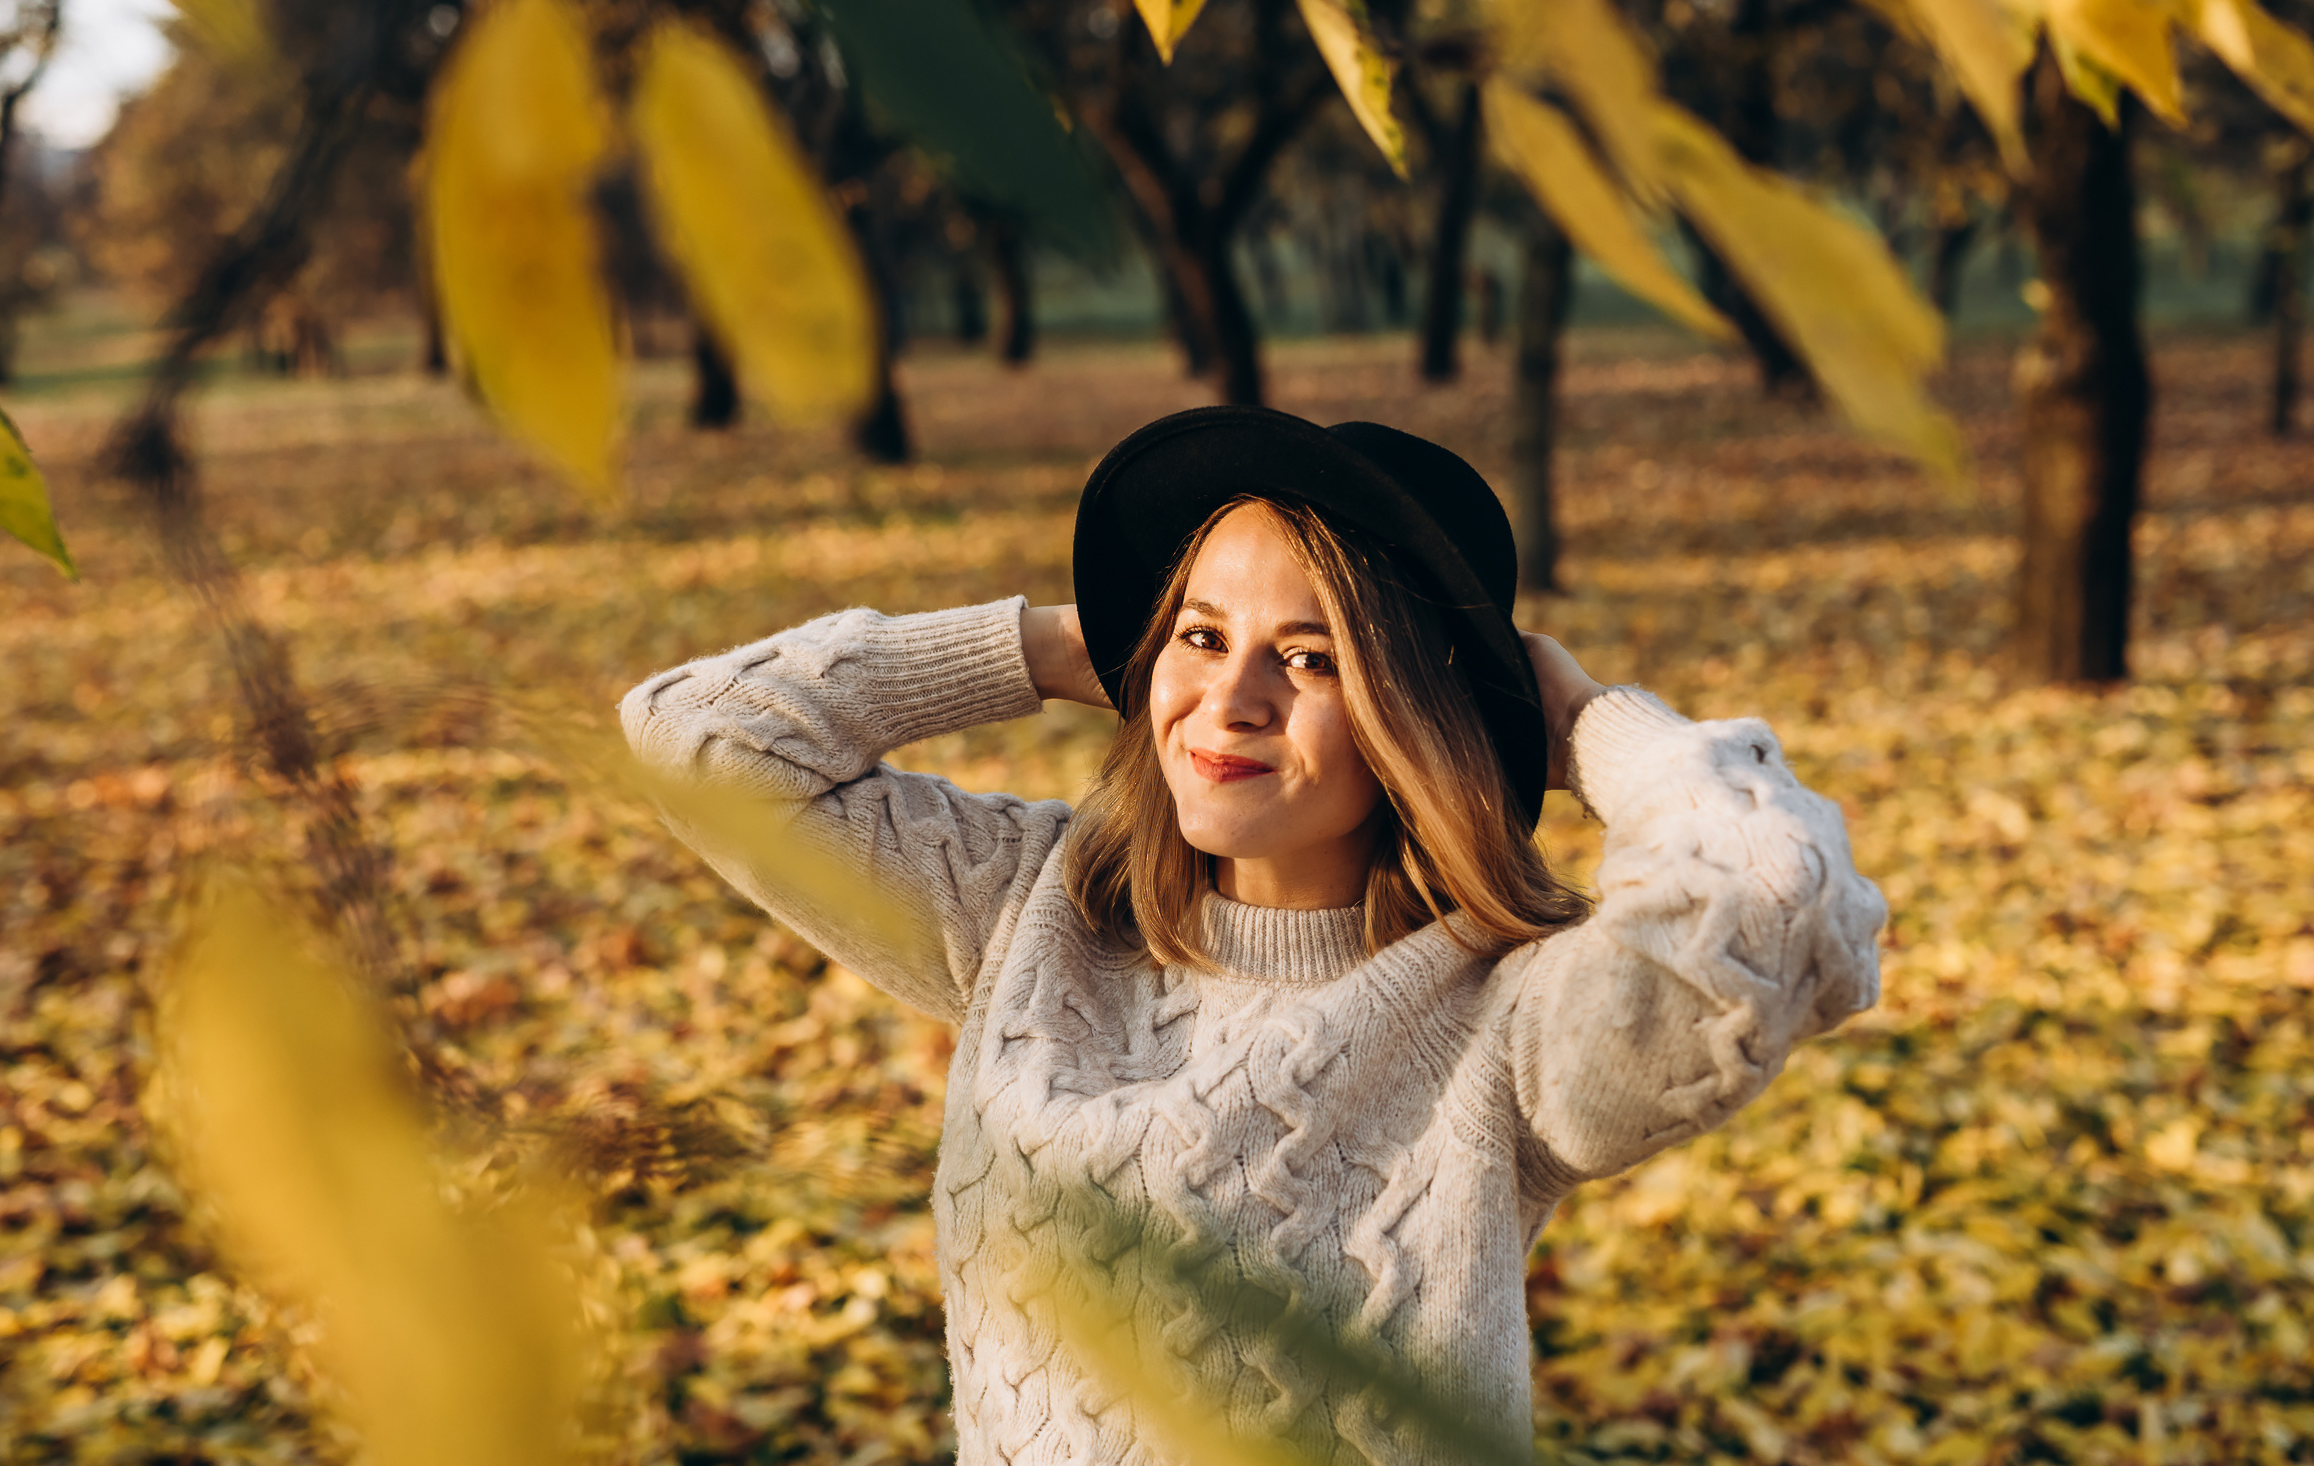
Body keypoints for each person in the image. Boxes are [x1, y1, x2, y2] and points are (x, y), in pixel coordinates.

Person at [622, 409, 1886, 1465]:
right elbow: (699, 740)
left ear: (1413, 711)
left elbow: (1773, 900)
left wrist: (1589, 722)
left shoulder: (1510, 1023)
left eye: (1311, 658)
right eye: (1203, 635)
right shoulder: (1034, 910)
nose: (1231, 700)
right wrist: (1059, 645)